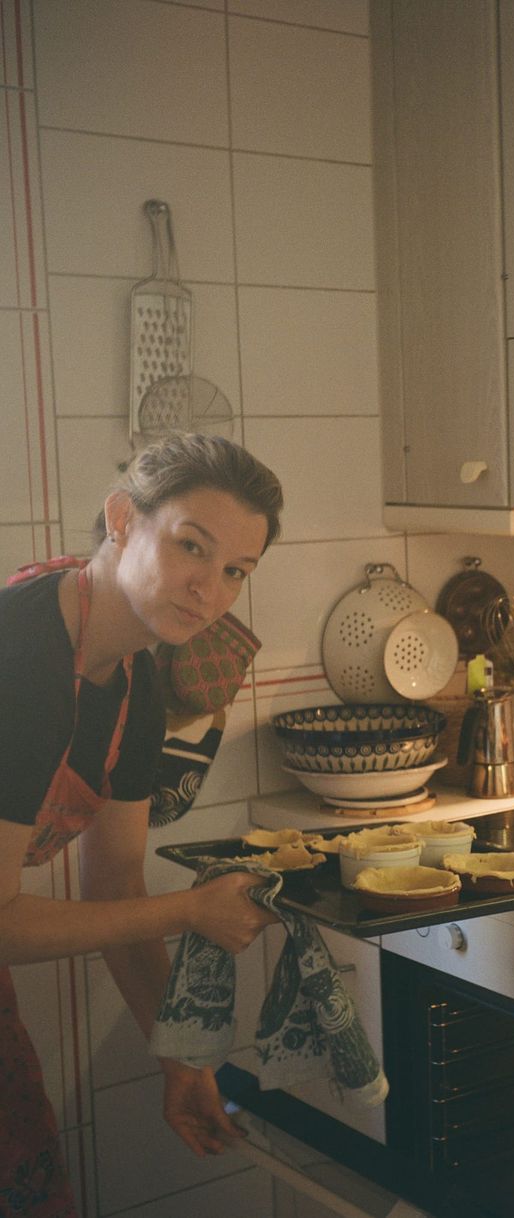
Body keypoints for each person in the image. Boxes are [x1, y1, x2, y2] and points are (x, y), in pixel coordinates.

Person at [0, 433, 284, 1218]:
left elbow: (117, 879)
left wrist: (179, 1056)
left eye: (236, 571)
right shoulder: (23, 661)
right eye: (192, 546)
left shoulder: (135, 682)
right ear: (123, 518)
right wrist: (191, 909)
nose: (209, 590)